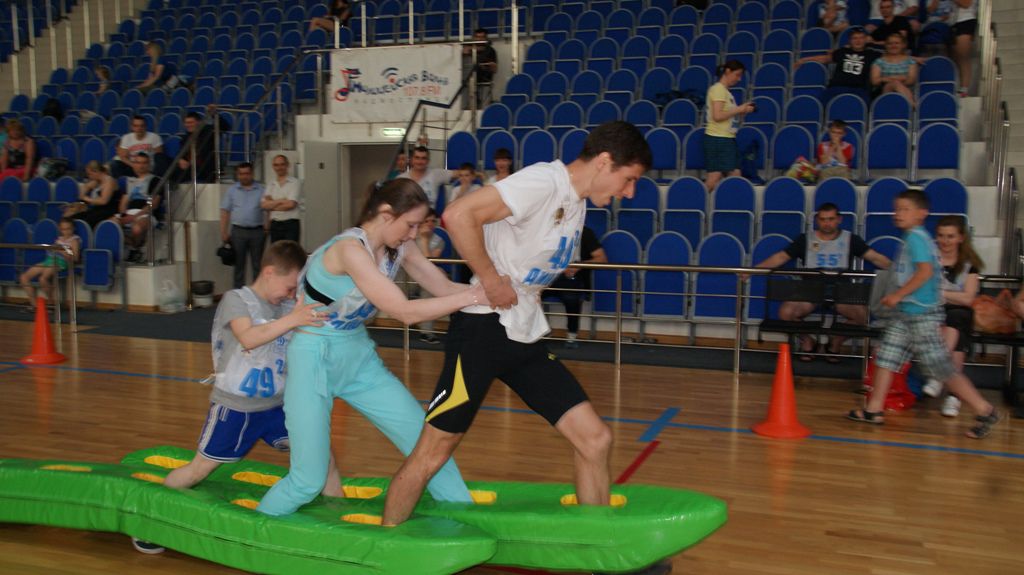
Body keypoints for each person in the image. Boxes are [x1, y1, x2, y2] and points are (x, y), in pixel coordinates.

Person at [380, 121, 652, 527]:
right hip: (482, 333)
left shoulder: (575, 201)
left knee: (595, 439)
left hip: (523, 333)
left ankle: (596, 544)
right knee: (435, 449)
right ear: (604, 161)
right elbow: (458, 214)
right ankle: (387, 537)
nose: (628, 192)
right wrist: (490, 278)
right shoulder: (543, 182)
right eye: (628, 180)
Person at [256, 179, 488, 517]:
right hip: (312, 357)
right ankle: (250, 534)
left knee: (426, 443)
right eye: (410, 225)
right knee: (307, 480)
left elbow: (442, 286)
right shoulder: (349, 250)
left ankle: (464, 514)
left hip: (357, 355)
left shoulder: (400, 245)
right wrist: (475, 297)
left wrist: (489, 293)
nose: (414, 234)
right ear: (386, 214)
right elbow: (403, 311)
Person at [130, 240, 345, 555]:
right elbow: (249, 338)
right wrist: (293, 319)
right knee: (199, 469)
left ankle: (341, 525)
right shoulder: (237, 300)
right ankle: (149, 519)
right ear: (269, 272)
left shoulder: (288, 307)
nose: (290, 295)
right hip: (235, 408)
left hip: (277, 407)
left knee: (323, 454)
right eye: (288, 287)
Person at [847, 189, 1000, 439]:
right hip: (906, 314)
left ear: (921, 213)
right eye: (897, 209)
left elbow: (925, 272)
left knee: (941, 368)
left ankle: (985, 410)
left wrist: (898, 295)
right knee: (886, 357)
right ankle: (874, 409)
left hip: (921, 315)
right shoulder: (913, 238)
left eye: (905, 209)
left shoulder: (917, 239)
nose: (898, 214)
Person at [752, 203, 891, 362]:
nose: (827, 223)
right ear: (817, 220)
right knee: (786, 313)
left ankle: (835, 343)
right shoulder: (805, 239)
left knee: (862, 317)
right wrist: (753, 271)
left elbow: (875, 258)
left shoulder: (851, 239)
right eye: (823, 219)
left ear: (839, 219)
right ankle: (808, 341)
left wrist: (898, 273)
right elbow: (781, 257)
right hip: (811, 289)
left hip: (842, 290)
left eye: (831, 219)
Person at [919, 215, 983, 418]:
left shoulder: (969, 265)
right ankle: (954, 396)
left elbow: (968, 298)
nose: (945, 241)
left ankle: (939, 374)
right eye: (941, 236)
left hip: (956, 313)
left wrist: (940, 293)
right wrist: (951, 295)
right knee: (956, 330)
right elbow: (922, 290)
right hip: (932, 313)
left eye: (950, 236)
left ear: (961, 238)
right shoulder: (929, 260)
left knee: (958, 317)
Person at [544, 226, 607, 349]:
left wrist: (578, 266)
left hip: (573, 277)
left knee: (571, 296)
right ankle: (541, 330)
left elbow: (601, 258)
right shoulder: (548, 230)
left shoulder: (585, 232)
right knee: (528, 293)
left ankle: (572, 335)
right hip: (549, 276)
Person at [703, 61, 755, 193]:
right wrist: (739, 109)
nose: (739, 79)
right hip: (718, 138)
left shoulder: (725, 92)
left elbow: (727, 115)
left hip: (726, 138)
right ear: (727, 71)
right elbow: (717, 115)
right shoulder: (718, 90)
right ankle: (695, 201)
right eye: (737, 75)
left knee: (734, 176)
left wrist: (742, 111)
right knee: (715, 178)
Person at [796, 27, 880, 106]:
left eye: (861, 38)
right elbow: (825, 59)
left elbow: (887, 54)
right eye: (854, 38)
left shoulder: (872, 54)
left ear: (866, 39)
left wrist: (874, 43)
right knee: (820, 104)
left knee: (865, 104)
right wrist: (803, 60)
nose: (858, 41)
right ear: (850, 41)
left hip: (859, 89)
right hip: (837, 87)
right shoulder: (842, 51)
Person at [221, 163, 267, 289]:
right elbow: (225, 211)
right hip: (238, 232)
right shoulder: (232, 190)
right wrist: (223, 232)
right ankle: (238, 294)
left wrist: (267, 226)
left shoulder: (262, 190)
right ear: (237, 175)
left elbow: (268, 209)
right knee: (238, 266)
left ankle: (258, 294)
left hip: (257, 232)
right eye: (241, 174)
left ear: (252, 174)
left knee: (258, 266)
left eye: (246, 173)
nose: (244, 176)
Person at [19, 217, 80, 311]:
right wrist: (55, 248)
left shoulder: (74, 240)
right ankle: (34, 305)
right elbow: (52, 251)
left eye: (68, 229)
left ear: (73, 228)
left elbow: (74, 258)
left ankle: (51, 301)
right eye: (63, 229)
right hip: (49, 260)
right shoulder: (59, 239)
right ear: (60, 229)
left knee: (43, 278)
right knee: (24, 277)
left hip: (60, 262)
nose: (66, 232)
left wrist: (61, 250)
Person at [114, 153, 162, 264]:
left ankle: (134, 249)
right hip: (129, 213)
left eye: (144, 163)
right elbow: (124, 202)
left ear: (149, 164)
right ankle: (133, 246)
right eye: (138, 162)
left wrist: (134, 217)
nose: (141, 166)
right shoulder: (130, 181)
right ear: (133, 164)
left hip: (145, 213)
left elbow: (153, 204)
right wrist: (123, 215)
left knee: (137, 228)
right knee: (110, 225)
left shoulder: (154, 180)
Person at [413, 208, 446, 344]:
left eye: (433, 221)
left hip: (425, 278)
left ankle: (426, 333)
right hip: (406, 278)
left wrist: (425, 241)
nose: (430, 224)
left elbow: (431, 264)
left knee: (431, 284)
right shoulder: (409, 236)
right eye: (426, 221)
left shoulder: (439, 240)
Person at [172, 108, 229, 183]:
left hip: (205, 168)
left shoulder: (208, 131)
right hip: (190, 168)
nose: (188, 125)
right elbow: (180, 153)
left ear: (199, 122)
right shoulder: (185, 138)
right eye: (186, 123)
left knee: (176, 173)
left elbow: (225, 127)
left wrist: (214, 114)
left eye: (191, 122)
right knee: (165, 162)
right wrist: (180, 159)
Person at [64, 161, 121, 227]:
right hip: (98, 209)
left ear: (96, 171)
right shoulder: (97, 181)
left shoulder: (109, 181)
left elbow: (103, 201)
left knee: (86, 221)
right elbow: (85, 187)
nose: (89, 177)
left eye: (89, 174)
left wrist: (85, 198)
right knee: (73, 218)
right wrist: (82, 196)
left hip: (109, 210)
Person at [262, 155, 302, 244]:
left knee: (290, 251)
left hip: (290, 224)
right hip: (275, 224)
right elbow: (264, 205)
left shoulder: (295, 183)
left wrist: (272, 204)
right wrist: (282, 200)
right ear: (273, 167)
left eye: (282, 164)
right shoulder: (270, 184)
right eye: (276, 165)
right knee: (276, 251)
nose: (279, 167)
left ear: (287, 165)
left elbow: (291, 205)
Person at [110, 115, 165, 180]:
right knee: (115, 164)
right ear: (132, 127)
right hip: (133, 167)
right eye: (136, 126)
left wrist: (146, 166)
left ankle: (158, 182)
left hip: (149, 167)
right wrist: (134, 165)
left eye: (142, 126)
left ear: (145, 126)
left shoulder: (154, 137)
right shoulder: (126, 138)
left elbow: (159, 156)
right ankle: (121, 184)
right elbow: (123, 157)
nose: (139, 128)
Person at [872, 33, 918, 105]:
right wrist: (899, 79)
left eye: (897, 43)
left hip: (906, 90)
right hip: (885, 91)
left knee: (896, 83)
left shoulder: (910, 61)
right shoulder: (879, 61)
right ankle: (912, 105)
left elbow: (911, 80)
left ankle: (909, 104)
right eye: (890, 43)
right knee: (895, 83)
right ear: (886, 45)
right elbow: (874, 81)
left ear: (903, 45)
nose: (893, 46)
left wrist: (886, 79)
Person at [463, 28, 497, 107]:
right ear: (474, 38)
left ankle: (478, 103)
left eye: (482, 37)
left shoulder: (490, 50)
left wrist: (487, 66)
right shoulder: (469, 48)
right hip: (469, 77)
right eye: (477, 37)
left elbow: (495, 69)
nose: (480, 39)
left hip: (484, 77)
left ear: (486, 38)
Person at [951, 0, 977, 97]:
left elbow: (967, 3)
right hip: (954, 21)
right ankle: (960, 86)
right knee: (957, 57)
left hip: (966, 20)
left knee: (963, 56)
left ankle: (965, 88)